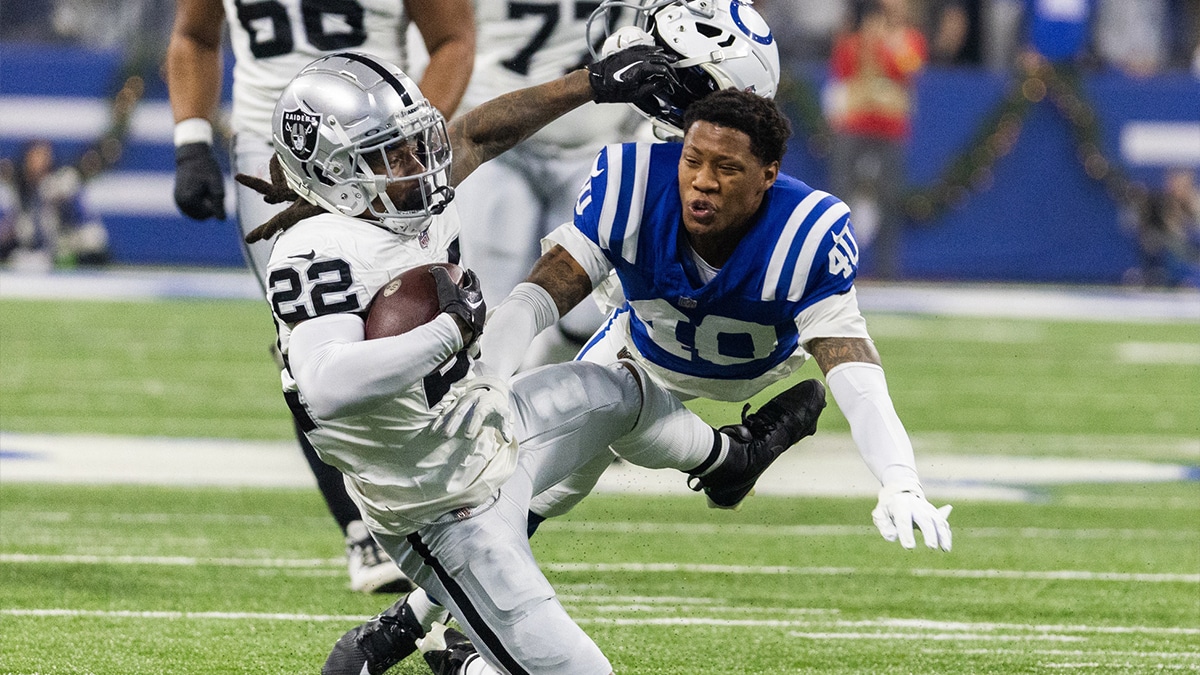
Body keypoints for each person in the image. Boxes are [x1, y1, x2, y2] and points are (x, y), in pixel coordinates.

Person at [244, 49, 825, 675]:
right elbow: (327, 386)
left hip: (486, 423)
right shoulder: (315, 249)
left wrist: (595, 84)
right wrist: (447, 334)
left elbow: (479, 132)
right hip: (438, 506)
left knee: (620, 393)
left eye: (413, 144)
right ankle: (457, 655)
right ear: (337, 173)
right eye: (392, 153)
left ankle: (729, 459)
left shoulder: (415, 195)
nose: (419, 163)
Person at [165, 0, 476, 593]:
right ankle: (362, 528)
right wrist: (191, 140)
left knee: (417, 310)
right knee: (308, 339)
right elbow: (194, 36)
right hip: (273, 153)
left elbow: (453, 39)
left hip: (385, 146)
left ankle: (444, 502)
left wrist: (401, 154)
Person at [451, 0, 648, 369]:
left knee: (589, 316)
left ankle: (530, 404)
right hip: (497, 146)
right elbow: (446, 38)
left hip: (600, 144)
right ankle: (479, 404)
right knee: (482, 307)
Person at [825, 0, 927, 280]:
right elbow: (840, 73)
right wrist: (865, 45)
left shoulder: (909, 40)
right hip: (854, 124)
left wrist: (890, 46)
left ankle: (887, 269)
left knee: (889, 197)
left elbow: (912, 69)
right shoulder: (853, 42)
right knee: (841, 192)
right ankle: (834, 265)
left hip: (890, 128)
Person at [0, 139, 110, 271]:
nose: (39, 161)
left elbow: (81, 221)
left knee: (91, 240)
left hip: (66, 241)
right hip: (34, 249)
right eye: (35, 156)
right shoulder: (19, 188)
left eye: (43, 156)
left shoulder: (62, 181)